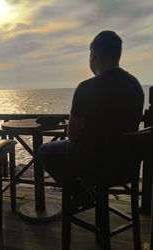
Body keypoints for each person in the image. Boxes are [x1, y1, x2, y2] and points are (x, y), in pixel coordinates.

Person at [38, 31, 144, 203]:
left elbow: (71, 134)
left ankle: (84, 194)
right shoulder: (135, 86)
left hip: (93, 164)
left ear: (93, 54)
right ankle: (90, 192)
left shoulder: (87, 88)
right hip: (125, 165)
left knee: (44, 152)